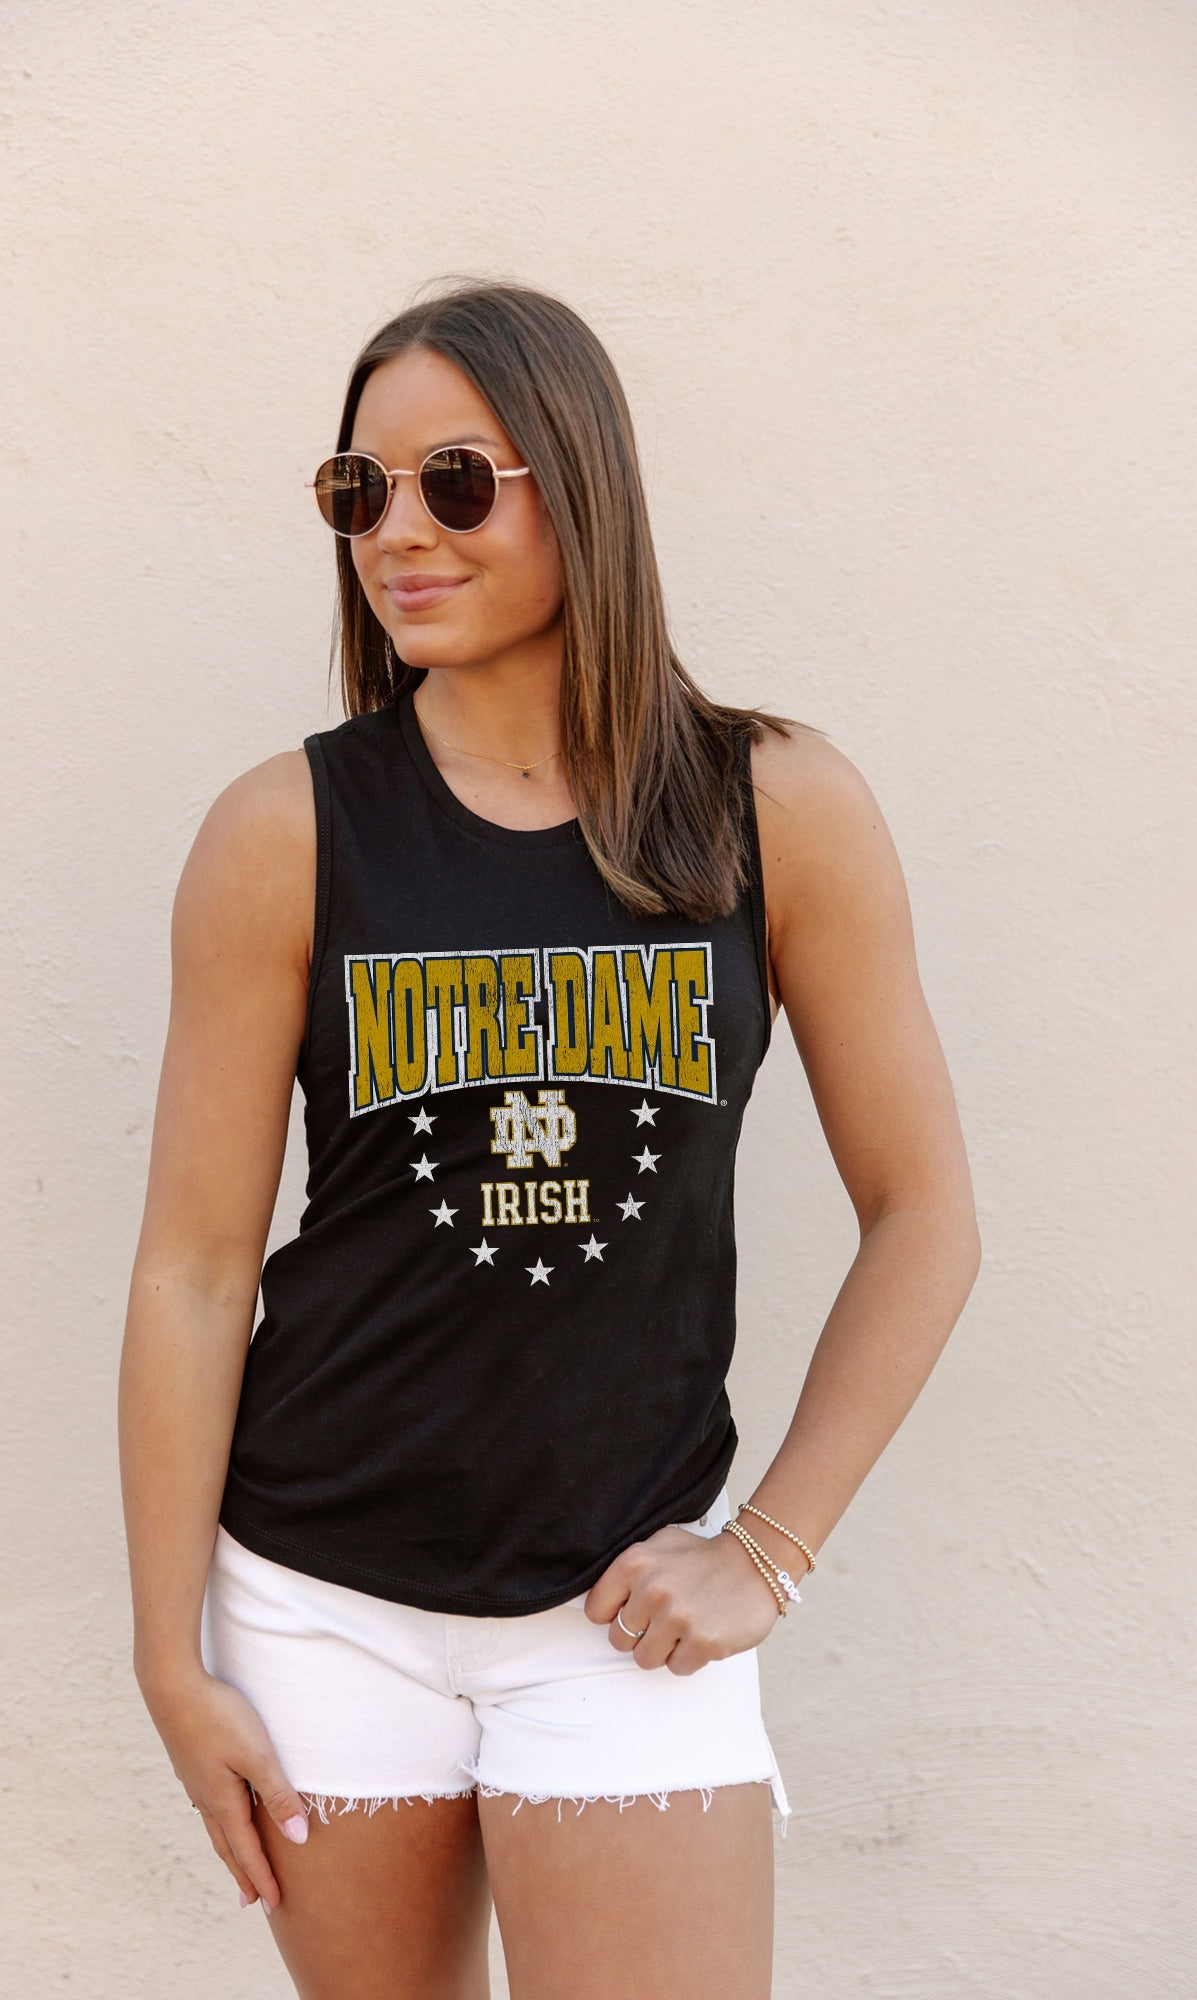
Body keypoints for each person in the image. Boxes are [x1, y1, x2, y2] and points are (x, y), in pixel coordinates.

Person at [118, 277, 981, 2000]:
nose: (396, 533)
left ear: (578, 484)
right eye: (357, 491)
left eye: (454, 482)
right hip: (317, 1601)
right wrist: (168, 1657)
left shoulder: (773, 808)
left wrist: (768, 1550)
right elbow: (195, 1273)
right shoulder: (286, 830)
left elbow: (923, 1215)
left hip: (616, 1615)